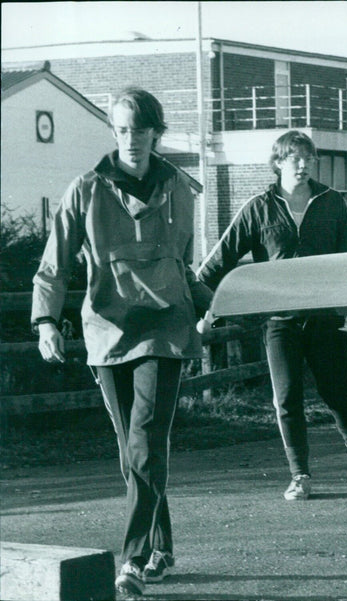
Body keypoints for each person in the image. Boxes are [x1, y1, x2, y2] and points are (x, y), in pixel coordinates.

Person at [31, 87, 212, 597]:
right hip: (108, 332)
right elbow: (55, 264)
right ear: (115, 132)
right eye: (123, 129)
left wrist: (212, 304)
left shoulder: (179, 188)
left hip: (167, 329)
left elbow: (184, 265)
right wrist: (46, 320)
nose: (132, 139)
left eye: (141, 128)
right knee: (133, 449)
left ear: (156, 131)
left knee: (147, 438)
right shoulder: (86, 189)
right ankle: (161, 547)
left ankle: (132, 561)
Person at [197, 130, 347, 501]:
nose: (303, 164)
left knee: (338, 393)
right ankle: (300, 475)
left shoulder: (332, 202)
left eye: (308, 157)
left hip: (325, 319)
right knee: (286, 398)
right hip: (280, 321)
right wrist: (202, 306)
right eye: (295, 157)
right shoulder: (258, 208)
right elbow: (214, 265)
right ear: (278, 163)